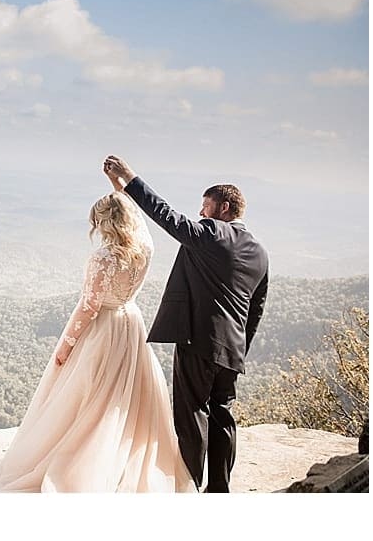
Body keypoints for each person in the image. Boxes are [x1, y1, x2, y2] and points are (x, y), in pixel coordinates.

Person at [0, 171, 194, 492]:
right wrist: (121, 188)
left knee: (86, 396)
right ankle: (118, 458)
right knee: (122, 398)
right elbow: (140, 224)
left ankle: (83, 465)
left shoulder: (103, 257)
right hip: (130, 322)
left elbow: (88, 307)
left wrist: (66, 345)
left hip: (103, 329)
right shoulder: (145, 248)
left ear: (103, 223)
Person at [105, 155, 269, 492]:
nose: (200, 213)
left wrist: (129, 178)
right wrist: (239, 347)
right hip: (232, 348)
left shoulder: (212, 234)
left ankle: (190, 486)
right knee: (222, 414)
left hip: (198, 339)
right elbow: (256, 309)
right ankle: (219, 489)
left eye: (205, 206)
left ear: (223, 207)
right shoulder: (260, 252)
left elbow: (166, 216)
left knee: (192, 411)